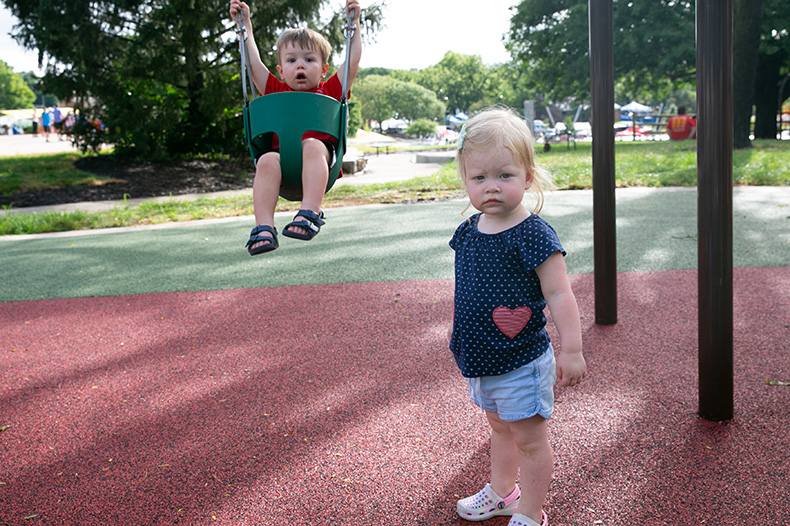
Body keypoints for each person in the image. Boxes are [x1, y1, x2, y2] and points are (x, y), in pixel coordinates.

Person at [449, 107, 587, 526]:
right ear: (466, 179)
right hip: (482, 360)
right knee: (499, 428)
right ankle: (504, 493)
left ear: (527, 177)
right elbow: (467, 288)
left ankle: (530, 512)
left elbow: (560, 293)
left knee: (529, 439)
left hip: (520, 361)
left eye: (505, 176)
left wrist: (573, 350)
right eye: (480, 178)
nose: (491, 187)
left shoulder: (533, 234)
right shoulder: (470, 229)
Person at [229, 0, 362, 255]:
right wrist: (244, 26)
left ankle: (310, 212)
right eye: (291, 60)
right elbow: (253, 64)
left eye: (309, 59)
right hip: (284, 167)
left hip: (320, 161)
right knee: (266, 159)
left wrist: (354, 26)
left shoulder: (331, 90)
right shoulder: (275, 90)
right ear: (280, 70)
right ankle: (264, 228)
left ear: (324, 70)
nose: (300, 65)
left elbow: (353, 62)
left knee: (312, 144)